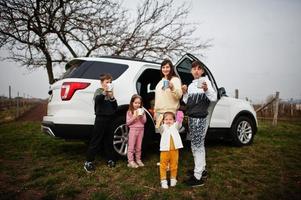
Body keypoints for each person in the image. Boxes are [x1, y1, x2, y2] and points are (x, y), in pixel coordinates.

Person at [182, 60, 217, 187]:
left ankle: (198, 177)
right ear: (191, 71)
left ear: (202, 71)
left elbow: (214, 97)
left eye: (198, 68)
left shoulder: (205, 82)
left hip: (200, 119)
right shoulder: (191, 85)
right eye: (194, 69)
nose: (196, 70)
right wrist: (185, 92)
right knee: (195, 145)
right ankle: (202, 170)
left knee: (197, 146)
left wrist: (207, 89)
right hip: (191, 118)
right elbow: (187, 102)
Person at [84, 73, 118, 172]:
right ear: (102, 83)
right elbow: (98, 101)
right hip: (100, 119)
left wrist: (112, 97)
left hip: (110, 119)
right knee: (96, 140)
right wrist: (105, 92)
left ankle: (110, 159)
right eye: (107, 82)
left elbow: (115, 107)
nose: (109, 84)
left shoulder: (111, 93)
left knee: (109, 140)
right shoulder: (98, 91)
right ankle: (88, 161)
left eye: (110, 82)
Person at [154, 59, 182, 129]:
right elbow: (157, 98)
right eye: (163, 67)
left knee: (171, 136)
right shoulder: (160, 82)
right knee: (163, 137)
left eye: (167, 67)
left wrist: (172, 88)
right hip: (159, 114)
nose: (165, 69)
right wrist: (155, 111)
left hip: (170, 113)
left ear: (171, 68)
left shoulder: (175, 80)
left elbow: (179, 96)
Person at [159, 112, 184, 189]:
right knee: (163, 165)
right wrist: (159, 120)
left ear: (174, 120)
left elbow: (179, 122)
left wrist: (179, 114)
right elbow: (159, 126)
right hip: (165, 150)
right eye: (166, 119)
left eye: (170, 119)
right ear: (163, 121)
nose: (168, 121)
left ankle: (173, 179)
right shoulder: (163, 127)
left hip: (174, 150)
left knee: (174, 165)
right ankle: (163, 181)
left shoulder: (175, 126)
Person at [126, 94, 147, 168]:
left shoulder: (143, 111)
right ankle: (130, 161)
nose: (137, 105)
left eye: (139, 103)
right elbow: (128, 123)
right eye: (136, 103)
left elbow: (144, 122)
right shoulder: (129, 112)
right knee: (131, 146)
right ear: (132, 103)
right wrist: (134, 117)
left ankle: (138, 159)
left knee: (139, 146)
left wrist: (141, 117)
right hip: (133, 130)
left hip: (141, 130)